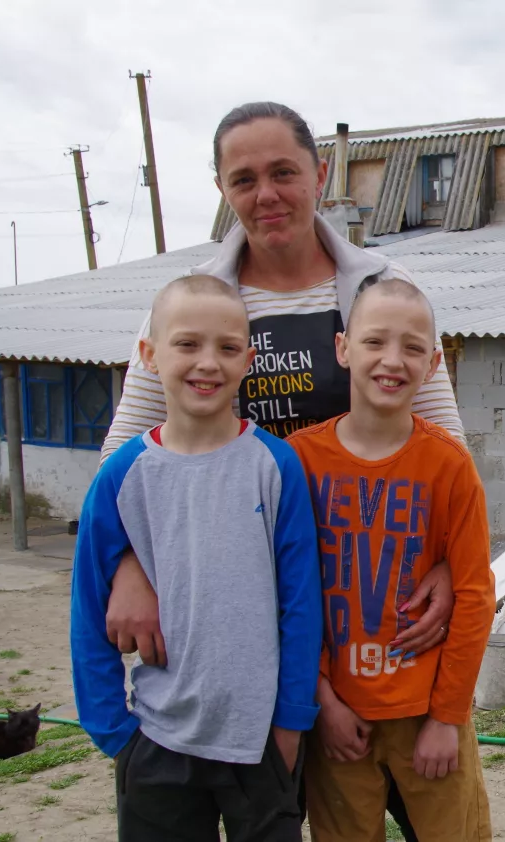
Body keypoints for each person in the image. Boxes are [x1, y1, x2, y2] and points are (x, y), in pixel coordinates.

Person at [101, 101, 462, 838]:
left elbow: (446, 447)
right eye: (243, 179)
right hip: (250, 616)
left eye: (283, 173)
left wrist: (451, 567)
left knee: (435, 811)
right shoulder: (194, 302)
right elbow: (125, 455)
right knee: (312, 811)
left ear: (319, 175)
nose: (265, 195)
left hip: (381, 599)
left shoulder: (383, 291)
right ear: (222, 189)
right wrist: (130, 563)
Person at [70, 275, 323, 841]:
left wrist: (290, 722)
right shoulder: (120, 477)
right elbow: (88, 609)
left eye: (228, 347)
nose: (208, 362)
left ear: (248, 360)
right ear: (149, 355)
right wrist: (114, 732)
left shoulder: (275, 466)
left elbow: (302, 607)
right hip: (157, 741)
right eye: (187, 344)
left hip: (260, 742)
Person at [288, 277, 496, 841]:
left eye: (411, 347)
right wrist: (321, 700)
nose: (391, 360)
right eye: (375, 341)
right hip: (337, 721)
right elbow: (285, 596)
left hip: (427, 712)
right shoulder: (296, 462)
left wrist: (447, 719)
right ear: (343, 348)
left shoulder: (449, 465)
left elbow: (476, 594)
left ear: (433, 364)